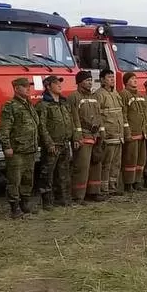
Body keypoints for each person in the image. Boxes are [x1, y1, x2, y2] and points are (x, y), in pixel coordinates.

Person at [0, 76, 46, 219]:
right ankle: (15, 207)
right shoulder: (10, 106)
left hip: (29, 149)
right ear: (16, 88)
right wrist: (7, 146)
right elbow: (4, 128)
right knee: (15, 179)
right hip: (17, 150)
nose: (28, 89)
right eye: (25, 86)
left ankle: (25, 203)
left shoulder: (29, 105)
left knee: (27, 178)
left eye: (29, 87)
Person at [35, 75, 79, 209]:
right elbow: (41, 126)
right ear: (48, 86)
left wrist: (74, 138)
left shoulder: (63, 103)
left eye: (60, 83)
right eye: (56, 83)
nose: (60, 85)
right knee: (47, 174)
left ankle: (63, 199)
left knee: (64, 173)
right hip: (53, 145)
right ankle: (47, 201)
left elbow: (70, 122)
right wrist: (49, 143)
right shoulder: (43, 105)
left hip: (64, 143)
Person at [67, 71, 104, 202]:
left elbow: (99, 115)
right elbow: (73, 118)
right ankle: (78, 195)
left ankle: (93, 192)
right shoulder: (74, 97)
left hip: (95, 136)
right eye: (87, 80)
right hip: (83, 136)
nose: (90, 82)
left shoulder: (95, 97)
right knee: (82, 167)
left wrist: (101, 133)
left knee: (96, 165)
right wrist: (77, 137)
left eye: (91, 80)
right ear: (79, 82)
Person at [97, 71, 128, 197]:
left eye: (112, 77)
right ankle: (104, 188)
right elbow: (98, 114)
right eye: (109, 78)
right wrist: (103, 131)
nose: (112, 80)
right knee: (107, 163)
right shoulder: (99, 95)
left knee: (116, 163)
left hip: (118, 134)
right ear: (102, 80)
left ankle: (113, 186)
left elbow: (121, 113)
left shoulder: (115, 93)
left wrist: (125, 131)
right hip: (108, 134)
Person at [120, 72, 147, 192]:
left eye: (135, 78)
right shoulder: (124, 94)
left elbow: (145, 113)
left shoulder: (139, 95)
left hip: (142, 133)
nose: (135, 80)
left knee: (140, 159)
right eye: (132, 79)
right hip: (132, 133)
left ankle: (138, 182)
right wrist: (127, 131)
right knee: (130, 159)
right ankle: (128, 183)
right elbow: (124, 114)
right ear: (126, 81)